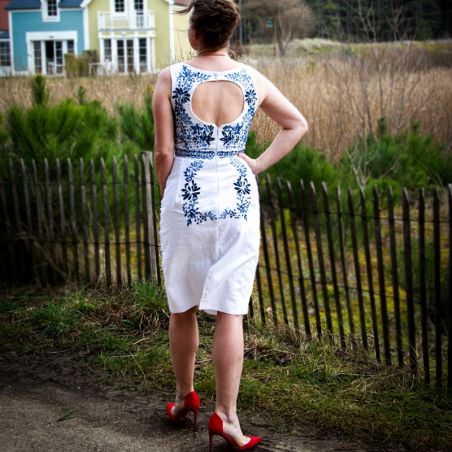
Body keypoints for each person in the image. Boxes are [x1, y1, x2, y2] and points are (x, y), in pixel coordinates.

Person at [152, 0, 308, 450]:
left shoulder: (171, 77)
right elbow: (296, 125)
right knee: (230, 308)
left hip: (187, 194)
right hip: (239, 196)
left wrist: (168, 189)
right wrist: (255, 165)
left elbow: (163, 153)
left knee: (183, 302)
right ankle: (227, 417)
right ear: (228, 35)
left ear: (194, 34)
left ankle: (185, 399)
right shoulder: (252, 79)